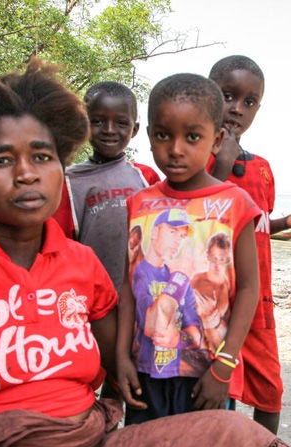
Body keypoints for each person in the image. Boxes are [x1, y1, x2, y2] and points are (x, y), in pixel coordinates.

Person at [0, 59, 290, 447]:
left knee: (230, 437)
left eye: (42, 156)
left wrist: (214, 361)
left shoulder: (82, 263)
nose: (26, 173)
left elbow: (130, 358)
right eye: (1, 160)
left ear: (62, 170)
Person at [116, 73, 262, 426]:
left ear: (217, 140)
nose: (176, 149)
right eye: (164, 135)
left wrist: (224, 366)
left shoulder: (235, 203)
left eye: (192, 136)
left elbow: (248, 289)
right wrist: (120, 356)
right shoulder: (139, 203)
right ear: (150, 136)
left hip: (206, 374)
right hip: (146, 370)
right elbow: (128, 287)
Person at [208, 55, 291, 434]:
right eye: (228, 96)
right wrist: (221, 165)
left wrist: (283, 222)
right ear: (210, 96)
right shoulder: (192, 159)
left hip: (257, 299)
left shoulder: (261, 168)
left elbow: (250, 226)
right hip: (211, 301)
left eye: (249, 101)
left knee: (269, 389)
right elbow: (201, 223)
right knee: (216, 391)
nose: (237, 109)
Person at [56, 81, 160, 293]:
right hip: (91, 296)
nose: (109, 130)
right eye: (98, 121)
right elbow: (60, 246)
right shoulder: (67, 181)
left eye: (121, 123)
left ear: (135, 129)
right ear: (83, 124)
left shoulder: (145, 176)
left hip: (143, 294)